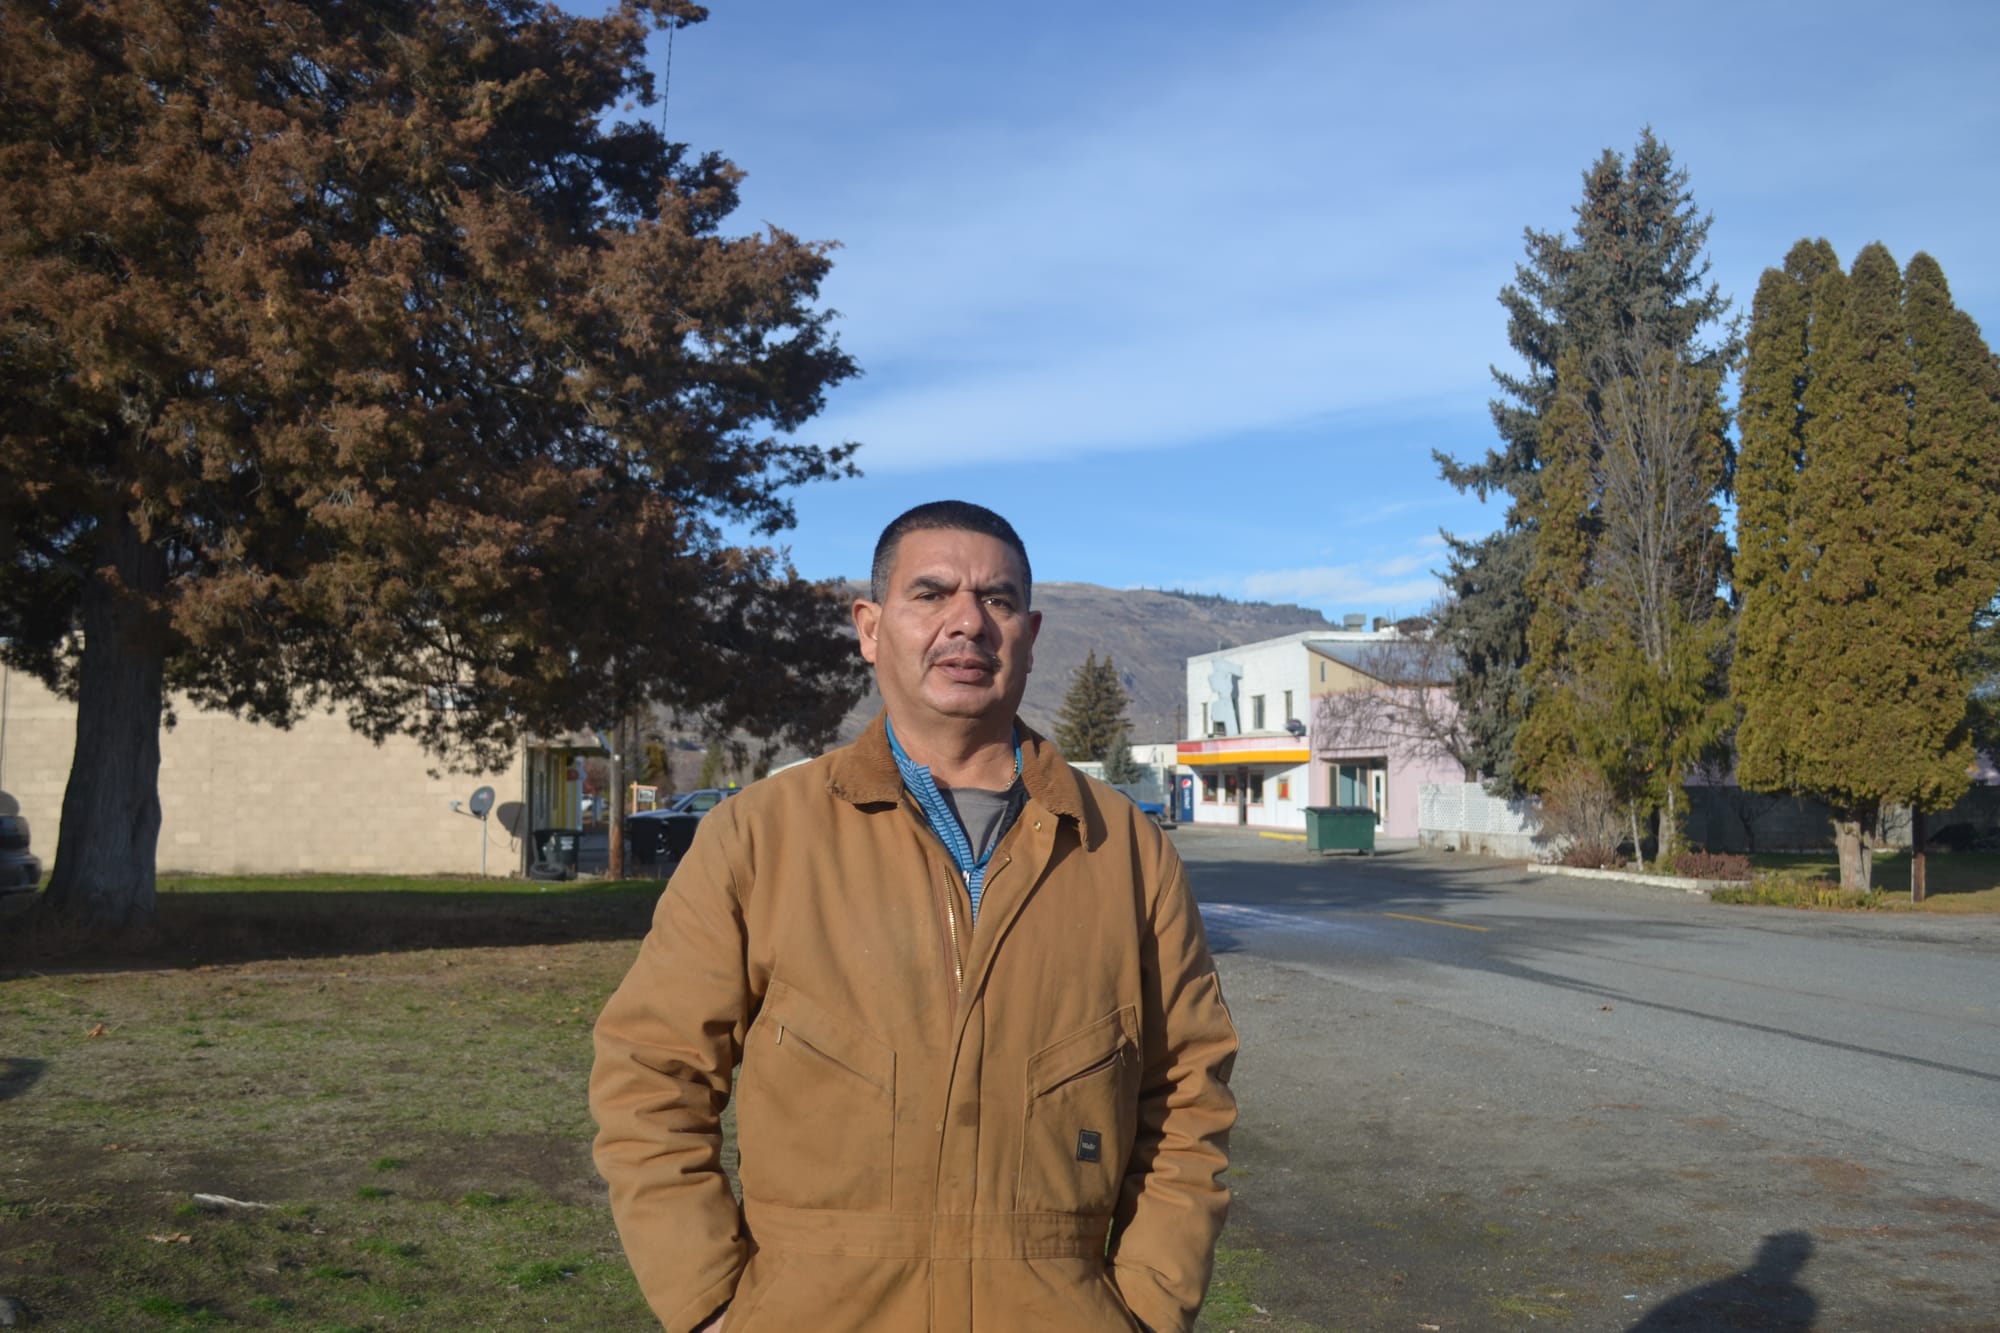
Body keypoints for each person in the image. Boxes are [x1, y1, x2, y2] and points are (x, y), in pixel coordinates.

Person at [590, 500, 1238, 1333]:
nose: (968, 622)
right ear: (870, 627)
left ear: (1031, 636)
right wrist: (708, 1299)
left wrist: (1149, 1303)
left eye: (998, 600)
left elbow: (1189, 1093)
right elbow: (651, 1073)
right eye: (931, 594)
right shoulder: (759, 836)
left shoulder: (1126, 851)